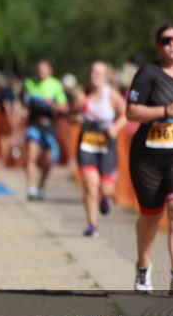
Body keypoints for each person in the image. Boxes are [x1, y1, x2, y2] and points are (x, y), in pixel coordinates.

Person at [126, 24, 173, 295]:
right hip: (148, 155)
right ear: (158, 46)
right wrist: (164, 110)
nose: (171, 45)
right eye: (165, 41)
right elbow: (131, 112)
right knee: (150, 214)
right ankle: (143, 267)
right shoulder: (148, 73)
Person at [72, 62, 126, 237]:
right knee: (90, 185)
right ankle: (92, 225)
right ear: (89, 75)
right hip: (87, 143)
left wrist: (115, 127)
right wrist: (77, 118)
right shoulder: (82, 95)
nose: (96, 76)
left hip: (107, 144)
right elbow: (69, 116)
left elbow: (126, 114)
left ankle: (106, 199)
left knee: (106, 188)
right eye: (93, 72)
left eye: (100, 73)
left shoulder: (112, 95)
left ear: (106, 76)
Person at [22, 60, 68, 201]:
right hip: (34, 124)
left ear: (50, 71)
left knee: (48, 159)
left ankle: (41, 185)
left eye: (44, 70)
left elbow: (64, 107)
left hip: (49, 127)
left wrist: (52, 104)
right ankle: (31, 188)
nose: (41, 72)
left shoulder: (55, 85)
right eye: (39, 70)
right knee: (31, 155)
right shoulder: (29, 83)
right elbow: (24, 101)